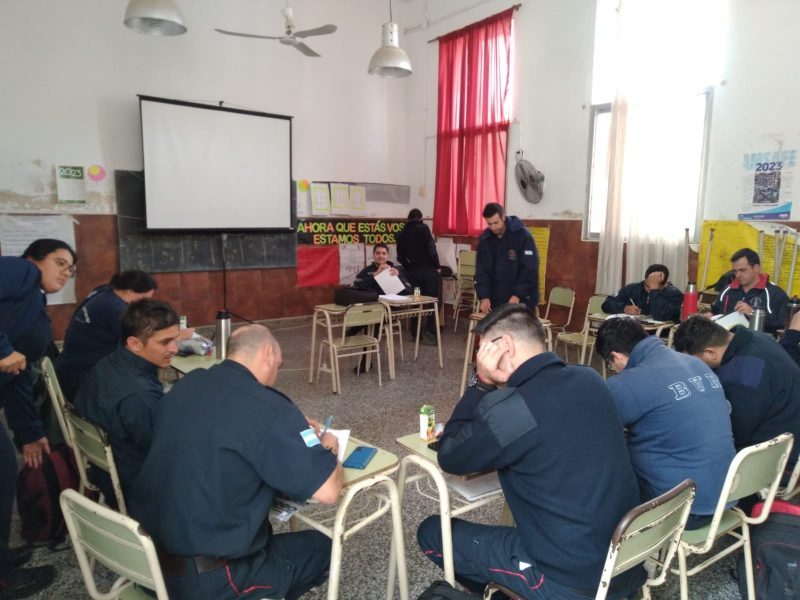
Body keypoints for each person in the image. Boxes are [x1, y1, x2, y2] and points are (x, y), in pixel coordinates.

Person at [417, 304, 644, 599]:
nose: (480, 359)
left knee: (431, 532)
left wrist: (481, 383)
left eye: (483, 351)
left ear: (505, 346)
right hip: (627, 559)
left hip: (570, 580)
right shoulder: (590, 378)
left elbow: (450, 455)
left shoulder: (513, 409)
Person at [129, 324, 342, 600]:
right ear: (267, 354)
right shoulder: (269, 406)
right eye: (278, 365)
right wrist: (327, 446)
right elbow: (328, 491)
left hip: (145, 562)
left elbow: (225, 432)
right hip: (210, 583)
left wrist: (289, 430)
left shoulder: (188, 384)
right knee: (323, 548)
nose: (275, 375)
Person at [595, 318, 735, 529]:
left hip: (684, 508)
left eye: (610, 365)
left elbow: (594, 432)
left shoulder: (627, 383)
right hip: (725, 494)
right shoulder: (696, 363)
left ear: (616, 357)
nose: (613, 370)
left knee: (601, 464)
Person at [1, 238, 77, 598]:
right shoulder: (21, 272)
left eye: (71, 269)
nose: (66, 273)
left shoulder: (32, 301)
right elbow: (10, 357)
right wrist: (2, 348)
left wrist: (30, 431)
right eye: (60, 262)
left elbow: (18, 373)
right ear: (33, 258)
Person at [73, 298, 180, 499]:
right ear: (134, 343)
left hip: (106, 467)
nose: (175, 349)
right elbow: (165, 451)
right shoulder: (140, 396)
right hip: (136, 483)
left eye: (175, 339)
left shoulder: (106, 364)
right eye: (165, 342)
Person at [674, 316, 800, 465]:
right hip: (787, 431)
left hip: (776, 458)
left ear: (710, 353)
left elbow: (733, 434)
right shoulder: (756, 337)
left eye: (693, 361)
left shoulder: (742, 374)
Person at [55, 269, 158, 402]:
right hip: (83, 379)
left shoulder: (104, 291)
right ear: (129, 291)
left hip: (68, 366)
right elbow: (141, 340)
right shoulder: (115, 309)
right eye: (144, 299)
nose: (144, 304)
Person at [475, 203, 539, 314]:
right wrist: (484, 296)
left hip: (521, 300)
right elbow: (482, 271)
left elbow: (530, 269)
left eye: (496, 223)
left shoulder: (522, 235)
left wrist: (518, 294)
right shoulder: (485, 240)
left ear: (503, 217)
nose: (493, 227)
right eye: (489, 224)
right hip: (496, 300)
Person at [711, 248, 788, 333]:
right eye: (735, 271)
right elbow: (715, 313)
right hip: (728, 339)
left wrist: (753, 313)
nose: (738, 275)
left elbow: (784, 323)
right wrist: (708, 316)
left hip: (760, 340)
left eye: (742, 270)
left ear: (756, 268)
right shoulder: (727, 291)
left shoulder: (774, 293)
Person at [396, 209, 440, 343]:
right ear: (420, 218)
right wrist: (437, 266)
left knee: (416, 301)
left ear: (408, 218)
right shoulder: (424, 228)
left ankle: (415, 333)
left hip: (414, 275)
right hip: (429, 273)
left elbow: (400, 257)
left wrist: (409, 268)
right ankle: (430, 331)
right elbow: (431, 249)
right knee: (433, 301)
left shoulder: (401, 234)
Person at [601, 263, 683, 321]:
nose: (650, 290)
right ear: (645, 279)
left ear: (665, 284)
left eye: (654, 286)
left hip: (661, 335)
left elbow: (660, 316)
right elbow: (606, 305)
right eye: (648, 286)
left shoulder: (674, 294)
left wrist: (654, 290)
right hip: (634, 332)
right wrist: (625, 308)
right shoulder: (632, 288)